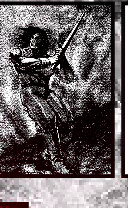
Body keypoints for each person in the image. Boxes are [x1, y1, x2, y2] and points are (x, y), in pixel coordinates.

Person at [9, 23, 78, 173]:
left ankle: (53, 153)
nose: (37, 41)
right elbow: (20, 61)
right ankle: (56, 160)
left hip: (45, 91)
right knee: (48, 119)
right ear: (29, 39)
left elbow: (69, 77)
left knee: (66, 119)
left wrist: (62, 59)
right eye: (34, 38)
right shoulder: (21, 53)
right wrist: (48, 61)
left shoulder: (49, 56)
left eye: (40, 38)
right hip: (30, 93)